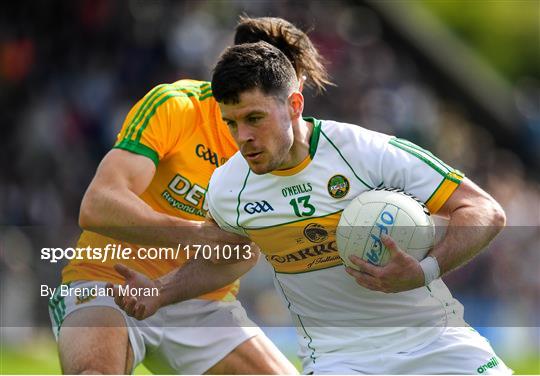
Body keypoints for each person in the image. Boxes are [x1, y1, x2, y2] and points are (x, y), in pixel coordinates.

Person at [201, 41, 511, 374]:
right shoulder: (227, 187)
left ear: (293, 105)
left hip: (435, 341)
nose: (242, 136)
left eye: (254, 118)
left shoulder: (364, 151)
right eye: (231, 123)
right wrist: (158, 292)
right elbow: (219, 259)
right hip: (339, 359)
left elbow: (482, 209)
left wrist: (425, 271)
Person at [48, 17, 330, 375]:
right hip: (106, 280)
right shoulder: (176, 105)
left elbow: (241, 254)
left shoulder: (288, 154)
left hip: (202, 305)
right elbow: (98, 205)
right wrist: (197, 234)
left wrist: (162, 290)